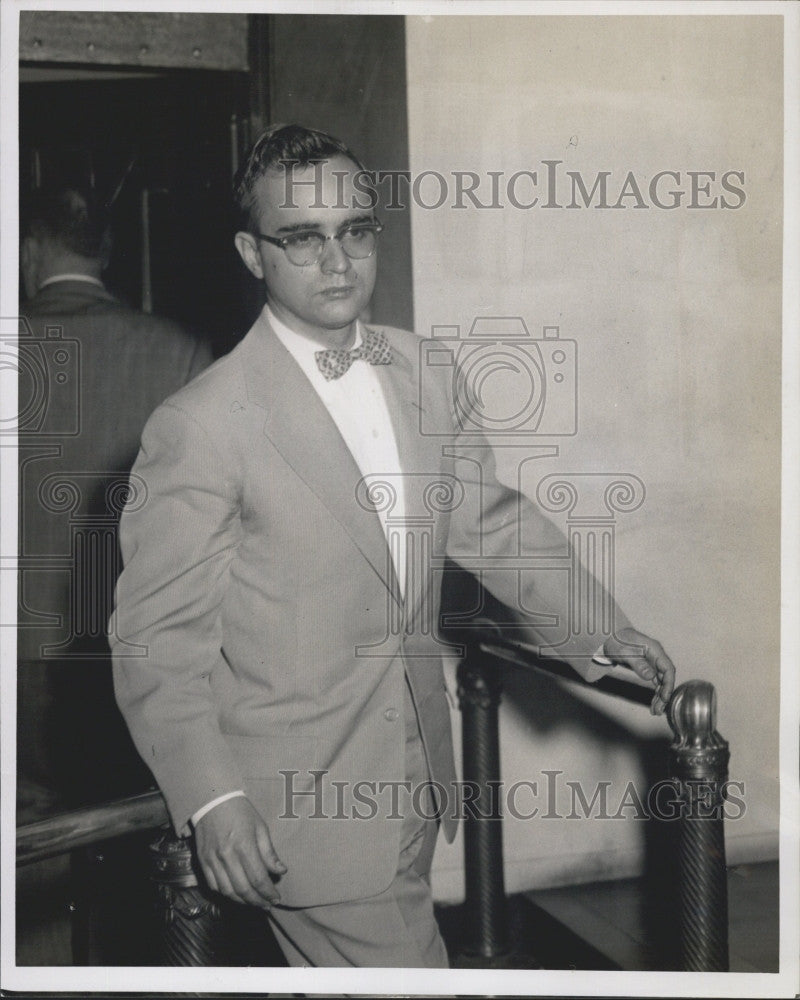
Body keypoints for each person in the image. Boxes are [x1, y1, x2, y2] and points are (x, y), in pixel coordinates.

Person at [111, 124, 676, 968]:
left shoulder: (424, 371)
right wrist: (213, 797)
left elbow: (490, 519)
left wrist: (602, 630)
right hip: (298, 808)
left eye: (356, 231)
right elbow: (156, 643)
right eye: (301, 238)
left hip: (416, 779)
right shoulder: (200, 425)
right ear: (251, 253)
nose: (337, 261)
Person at [17, 185, 212, 811]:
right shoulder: (179, 350)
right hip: (129, 653)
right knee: (127, 839)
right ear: (105, 255)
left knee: (27, 856)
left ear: (27, 253)